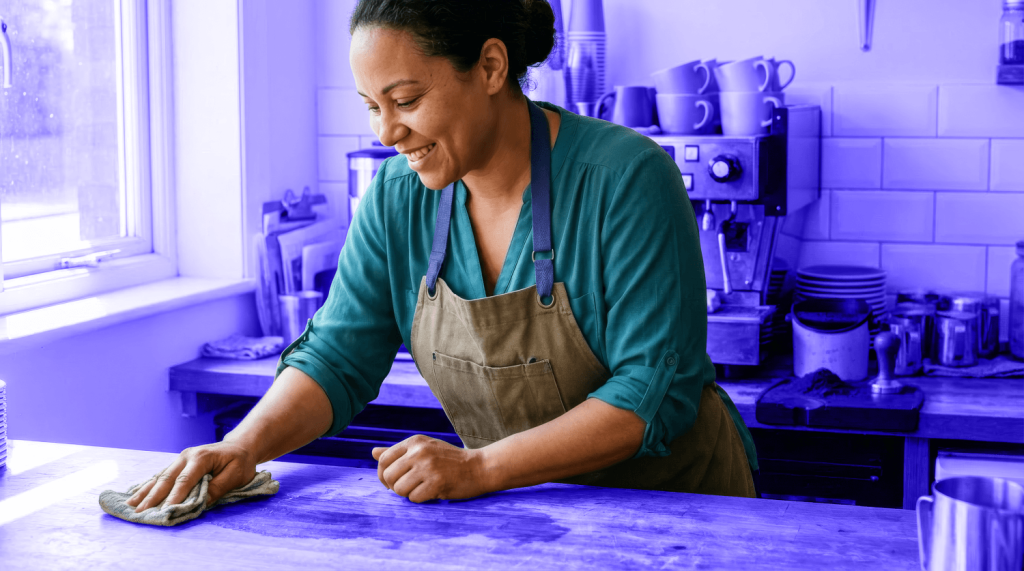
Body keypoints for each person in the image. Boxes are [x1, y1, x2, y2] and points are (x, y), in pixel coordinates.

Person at [127, 0, 759, 512]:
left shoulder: (625, 178)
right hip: (523, 517)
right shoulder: (397, 198)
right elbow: (338, 355)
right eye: (372, 107)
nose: (385, 132)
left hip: (680, 517)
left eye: (405, 101)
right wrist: (244, 446)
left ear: (488, 67)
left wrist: (479, 466)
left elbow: (652, 392)